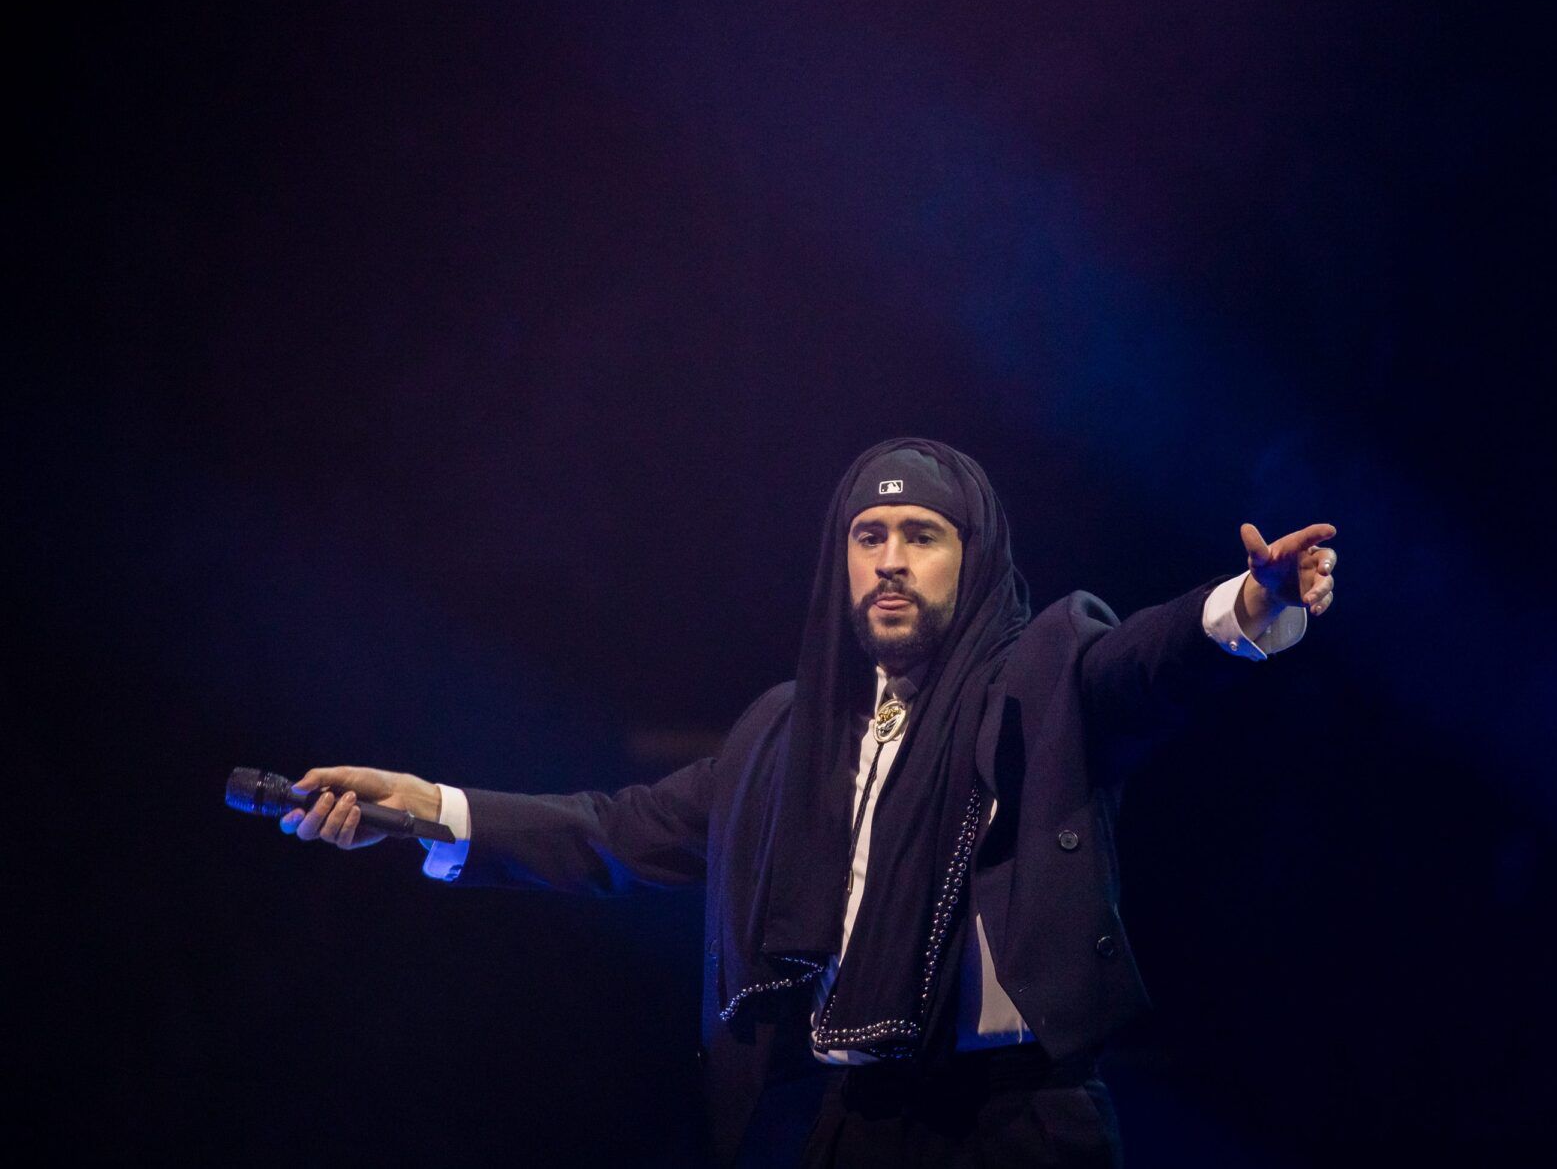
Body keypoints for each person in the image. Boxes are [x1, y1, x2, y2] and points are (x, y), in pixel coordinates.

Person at [285, 438, 1336, 1167]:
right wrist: (426, 804)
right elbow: (619, 829)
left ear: (971, 561)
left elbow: (1139, 666)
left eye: (921, 534)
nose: (890, 559)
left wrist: (1248, 606)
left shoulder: (1036, 681)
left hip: (1016, 1124)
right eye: (868, 537)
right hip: (850, 1120)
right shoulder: (786, 736)